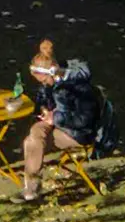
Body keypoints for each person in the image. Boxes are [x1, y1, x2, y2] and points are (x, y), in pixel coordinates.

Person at [18, 53, 106, 202]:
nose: (44, 84)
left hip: (78, 133)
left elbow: (84, 120)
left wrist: (56, 118)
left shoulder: (80, 88)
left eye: (45, 80)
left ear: (52, 72)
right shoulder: (50, 84)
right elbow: (42, 101)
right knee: (35, 135)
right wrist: (44, 110)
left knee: (31, 141)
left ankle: (32, 186)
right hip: (58, 124)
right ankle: (32, 185)